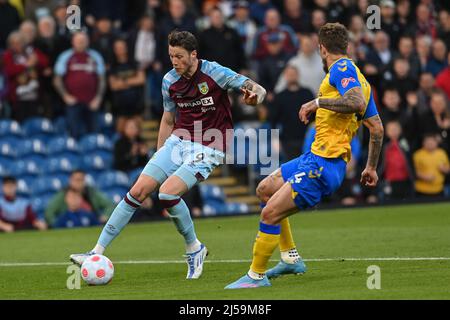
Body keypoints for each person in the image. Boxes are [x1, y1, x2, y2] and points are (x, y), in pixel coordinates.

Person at [70, 30, 267, 280]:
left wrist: (254, 99)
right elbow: (168, 118)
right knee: (138, 191)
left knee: (166, 193)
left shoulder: (215, 72)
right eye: (171, 55)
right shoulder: (169, 81)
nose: (175, 61)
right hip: (178, 141)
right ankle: (95, 251)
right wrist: (159, 152)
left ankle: (194, 248)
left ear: (194, 55)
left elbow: (257, 90)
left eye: (180, 56)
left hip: (210, 146)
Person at [226, 23, 384, 289]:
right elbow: (377, 127)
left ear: (322, 48)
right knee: (265, 190)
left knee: (270, 214)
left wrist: (317, 102)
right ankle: (290, 259)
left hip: (324, 164)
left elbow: (355, 101)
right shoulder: (359, 77)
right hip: (314, 158)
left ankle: (255, 276)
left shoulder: (342, 69)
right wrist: (371, 167)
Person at [53, 31, 106, 139]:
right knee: (74, 133)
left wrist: (98, 98)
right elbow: (57, 79)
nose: (81, 43)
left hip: (92, 102)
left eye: (83, 40)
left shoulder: (95, 56)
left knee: (94, 134)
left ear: (88, 42)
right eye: (78, 41)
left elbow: (102, 79)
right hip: (73, 102)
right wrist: (65, 96)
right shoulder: (65, 56)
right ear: (73, 42)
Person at [45, 170, 115, 227]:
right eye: (76, 180)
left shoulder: (91, 193)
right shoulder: (63, 195)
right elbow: (49, 212)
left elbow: (110, 205)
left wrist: (105, 216)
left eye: (81, 180)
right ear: (70, 181)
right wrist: (56, 225)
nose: (79, 183)